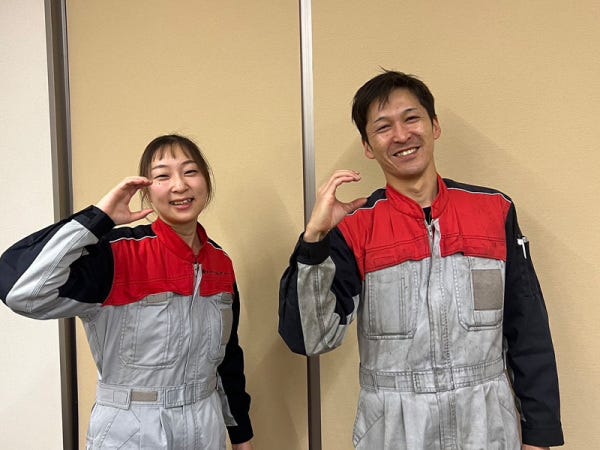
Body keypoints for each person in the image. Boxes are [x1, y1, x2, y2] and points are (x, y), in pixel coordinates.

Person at [278, 71, 563, 449]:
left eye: (411, 118)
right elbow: (310, 339)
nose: (401, 135)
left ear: (435, 126)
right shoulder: (356, 228)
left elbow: (527, 328)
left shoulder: (494, 211)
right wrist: (314, 240)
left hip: (486, 428)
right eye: (383, 127)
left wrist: (540, 434)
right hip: (394, 432)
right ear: (368, 146)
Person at [0, 134, 253, 449]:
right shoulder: (116, 255)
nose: (179, 185)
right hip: (131, 430)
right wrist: (98, 218)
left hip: (206, 426)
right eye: (163, 176)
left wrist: (241, 436)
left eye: (190, 172)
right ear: (146, 191)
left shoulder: (219, 262)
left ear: (206, 182)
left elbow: (227, 359)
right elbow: (22, 291)